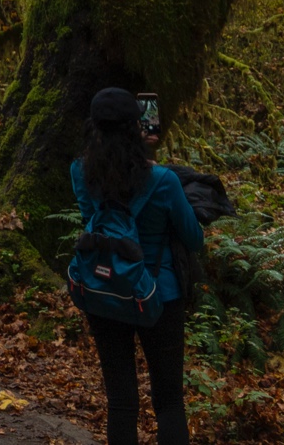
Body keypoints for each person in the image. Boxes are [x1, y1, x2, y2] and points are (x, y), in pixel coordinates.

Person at [70, 87, 203, 445]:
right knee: (170, 400)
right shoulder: (163, 180)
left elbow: (93, 218)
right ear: (136, 128)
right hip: (160, 296)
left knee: (121, 402)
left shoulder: (80, 172)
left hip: (105, 290)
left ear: (93, 127)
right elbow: (194, 239)